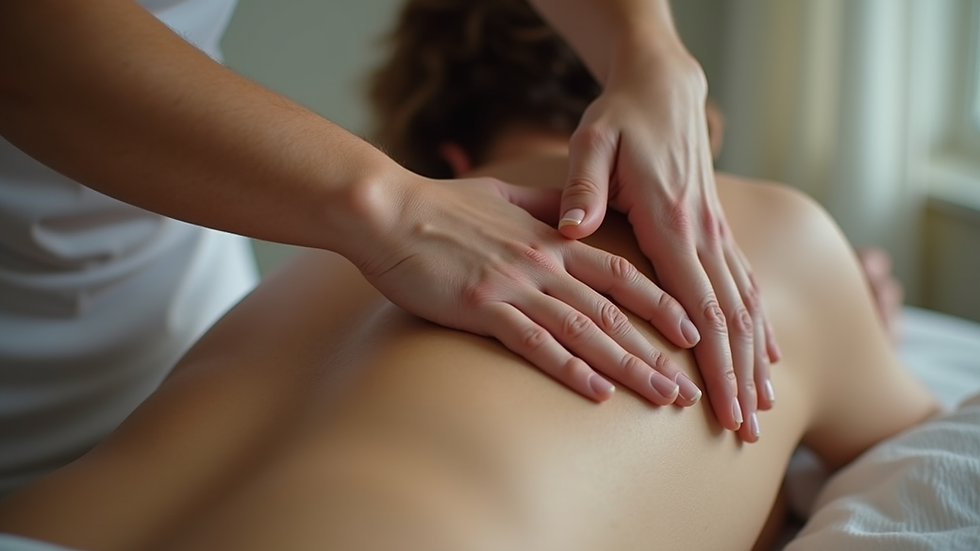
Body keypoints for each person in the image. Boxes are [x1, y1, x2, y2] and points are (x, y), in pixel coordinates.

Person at [0, 1, 937, 549]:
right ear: (705, 148)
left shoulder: (310, 274)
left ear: (445, 151)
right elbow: (914, 457)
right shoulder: (782, 235)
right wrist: (853, 329)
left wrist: (648, 47)